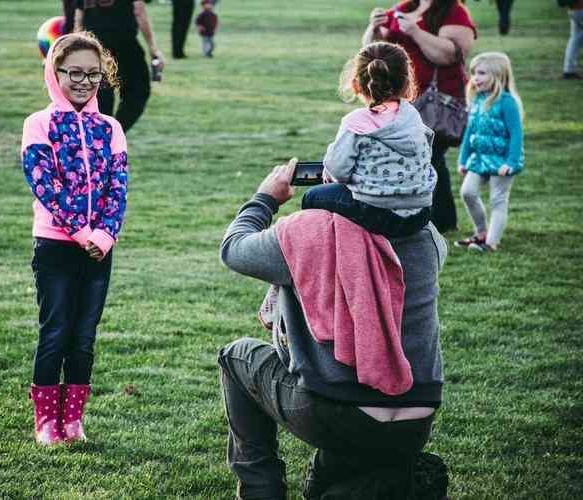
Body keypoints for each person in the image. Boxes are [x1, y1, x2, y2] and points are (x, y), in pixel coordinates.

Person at [218, 159, 448, 499]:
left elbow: (233, 248)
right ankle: (389, 482)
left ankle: (260, 491)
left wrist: (265, 197)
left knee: (236, 358)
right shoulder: (427, 235)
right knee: (332, 474)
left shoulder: (310, 231)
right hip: (417, 419)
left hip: (338, 413)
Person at [21, 32, 128, 445]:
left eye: (93, 74)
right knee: (56, 332)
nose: (84, 81)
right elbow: (43, 183)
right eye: (75, 73)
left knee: (83, 338)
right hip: (55, 247)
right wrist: (81, 232)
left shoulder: (111, 127)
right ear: (55, 73)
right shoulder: (39, 123)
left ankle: (73, 421)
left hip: (99, 249)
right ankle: (46, 423)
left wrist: (104, 235)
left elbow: (118, 187)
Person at [301, 41, 436, 239]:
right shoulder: (412, 116)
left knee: (313, 196)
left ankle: (330, 251)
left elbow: (339, 171)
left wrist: (331, 166)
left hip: (377, 213)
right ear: (407, 84)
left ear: (356, 85)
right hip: (420, 213)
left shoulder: (357, 122)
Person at [363, 0, 477, 234]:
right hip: (405, 99)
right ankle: (443, 221)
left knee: (428, 155)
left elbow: (450, 55)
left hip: (438, 100)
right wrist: (373, 29)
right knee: (432, 157)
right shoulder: (403, 8)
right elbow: (374, 53)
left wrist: (415, 31)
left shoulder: (454, 11)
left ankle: (423, 220)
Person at [455, 52, 524, 252]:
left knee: (498, 199)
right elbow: (470, 132)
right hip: (479, 159)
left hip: (502, 161)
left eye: (482, 73)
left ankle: (491, 243)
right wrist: (463, 159)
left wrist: (511, 162)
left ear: (498, 75)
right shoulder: (477, 100)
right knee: (467, 192)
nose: (475, 78)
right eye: (474, 73)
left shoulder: (507, 102)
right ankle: (481, 232)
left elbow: (516, 135)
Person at [74, 0, 165, 133]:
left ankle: (104, 138)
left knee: (101, 98)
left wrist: (78, 47)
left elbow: (79, 17)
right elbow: (139, 11)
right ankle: (113, 135)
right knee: (138, 92)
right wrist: (153, 49)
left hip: (95, 47)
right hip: (125, 45)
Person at [563, 0, 583, 79]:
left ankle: (569, 70)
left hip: (573, 10)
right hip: (581, 8)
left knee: (575, 39)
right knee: (575, 39)